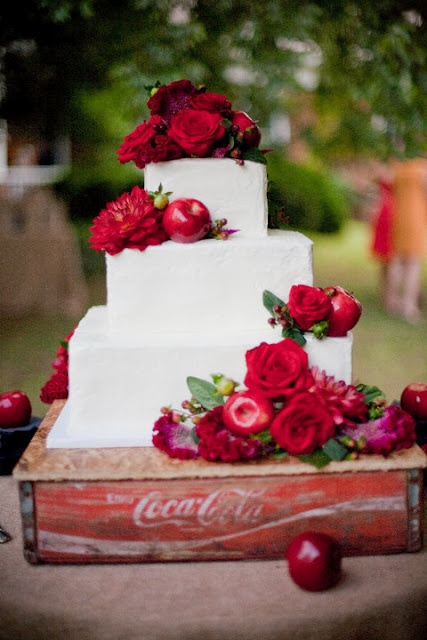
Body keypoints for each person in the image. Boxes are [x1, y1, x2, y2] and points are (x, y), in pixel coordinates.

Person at [386, 156, 427, 322]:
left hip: (399, 217)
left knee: (397, 261)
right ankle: (408, 306)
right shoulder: (422, 169)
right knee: (413, 263)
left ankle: (391, 300)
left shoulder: (399, 167)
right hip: (416, 218)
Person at [370, 164, 395, 310]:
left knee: (388, 258)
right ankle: (388, 296)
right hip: (389, 213)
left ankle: (388, 294)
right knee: (388, 257)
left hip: (387, 211)